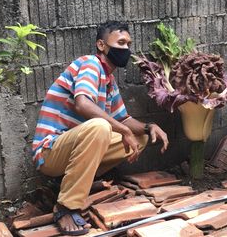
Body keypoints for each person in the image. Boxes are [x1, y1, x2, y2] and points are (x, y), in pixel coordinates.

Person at [32, 21, 169, 235]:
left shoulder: (109, 80)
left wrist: (149, 126)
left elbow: (123, 119)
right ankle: (65, 207)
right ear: (101, 45)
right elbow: (83, 103)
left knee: (140, 138)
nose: (125, 48)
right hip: (49, 151)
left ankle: (68, 182)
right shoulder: (90, 64)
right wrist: (123, 131)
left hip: (71, 150)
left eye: (128, 44)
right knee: (100, 126)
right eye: (120, 42)